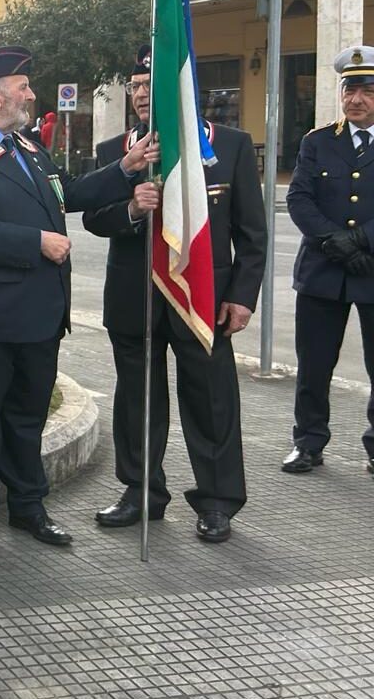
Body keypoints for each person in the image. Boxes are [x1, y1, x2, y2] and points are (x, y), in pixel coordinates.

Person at [0, 45, 156, 551]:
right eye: (22, 87)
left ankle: (28, 506)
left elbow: (68, 192)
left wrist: (125, 168)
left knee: (29, 415)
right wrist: (35, 242)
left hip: (40, 312)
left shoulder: (27, 147)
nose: (30, 94)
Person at [84, 45, 264, 544]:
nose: (142, 94)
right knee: (137, 402)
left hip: (203, 297)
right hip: (134, 297)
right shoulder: (116, 151)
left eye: (152, 84)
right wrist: (131, 210)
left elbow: (252, 233)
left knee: (211, 402)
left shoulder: (229, 146)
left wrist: (243, 296)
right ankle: (141, 492)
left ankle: (217, 501)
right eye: (136, 86)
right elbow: (94, 218)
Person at [282, 44, 374, 478]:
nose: (356, 99)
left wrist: (357, 240)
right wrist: (335, 242)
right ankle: (308, 443)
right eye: (350, 90)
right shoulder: (317, 142)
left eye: (367, 90)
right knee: (314, 366)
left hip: (370, 268)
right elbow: (299, 199)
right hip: (322, 270)